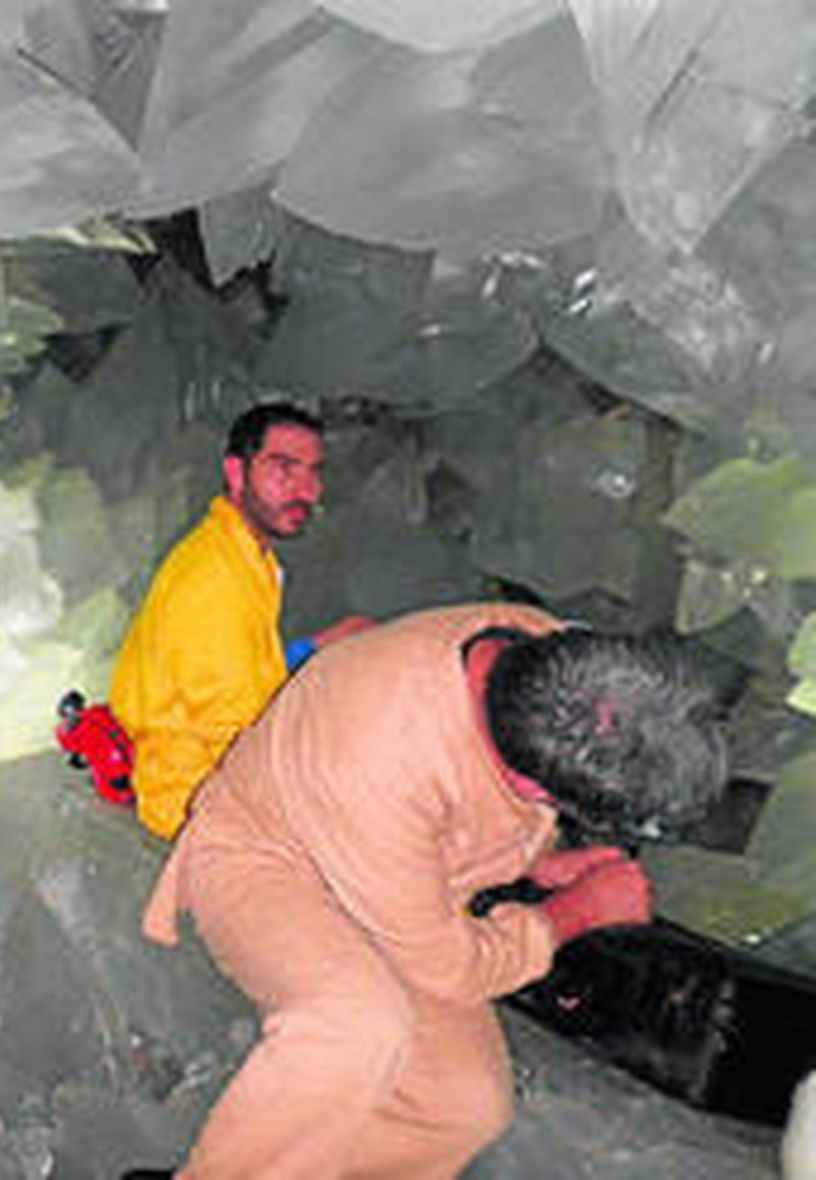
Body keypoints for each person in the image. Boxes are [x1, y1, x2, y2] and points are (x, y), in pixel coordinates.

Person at [125, 603, 727, 1180]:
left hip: (389, 871)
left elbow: (465, 807)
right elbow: (452, 967)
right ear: (526, 782)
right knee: (356, 1024)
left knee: (465, 1104)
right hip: (267, 861)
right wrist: (573, 914)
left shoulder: (545, 652)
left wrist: (539, 861)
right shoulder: (375, 755)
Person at [108, 401, 370, 840]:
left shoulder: (243, 554)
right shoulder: (214, 578)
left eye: (314, 472)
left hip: (214, 772)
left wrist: (314, 650)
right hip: (192, 804)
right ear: (235, 472)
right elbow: (239, 736)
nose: (305, 490)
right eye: (283, 469)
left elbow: (237, 682)